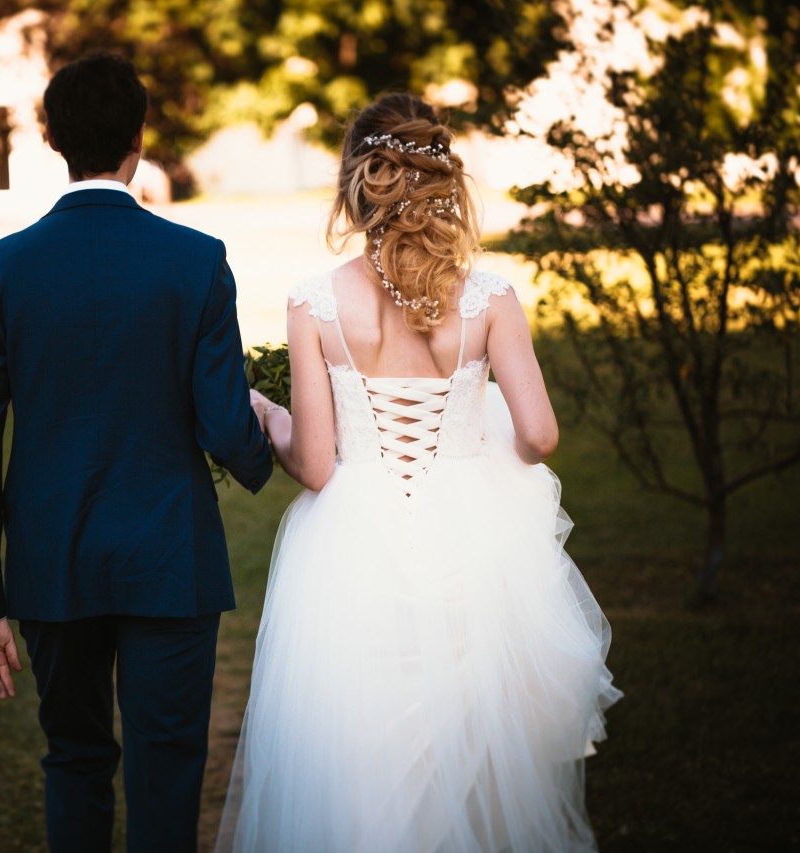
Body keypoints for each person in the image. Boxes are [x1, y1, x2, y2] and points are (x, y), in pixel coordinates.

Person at [218, 93, 622, 852]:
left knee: (362, 750)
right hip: (475, 535)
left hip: (352, 541)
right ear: (443, 183)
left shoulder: (313, 303)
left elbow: (313, 463)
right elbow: (539, 434)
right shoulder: (490, 297)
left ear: (356, 182)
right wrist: (487, 425)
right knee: (473, 745)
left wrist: (268, 414)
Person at [0, 53, 273, 853]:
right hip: (171, 554)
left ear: (53, 137)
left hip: (51, 558)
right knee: (167, 768)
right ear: (140, 137)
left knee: (75, 758)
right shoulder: (196, 261)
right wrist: (287, 444)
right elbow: (227, 427)